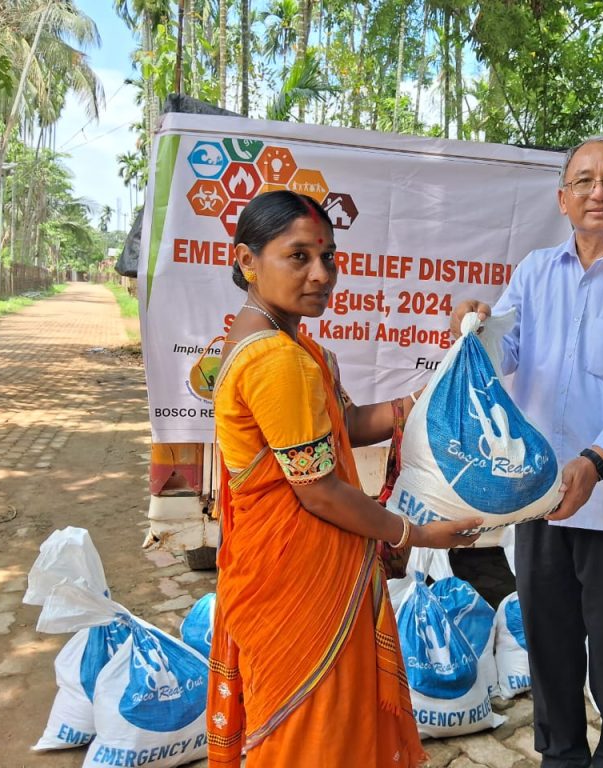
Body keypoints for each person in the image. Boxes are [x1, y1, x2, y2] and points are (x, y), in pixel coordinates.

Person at [206, 190, 482, 768]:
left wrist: (430, 393)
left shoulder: (286, 344)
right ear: (247, 261)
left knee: (317, 729)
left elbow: (346, 426)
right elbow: (319, 491)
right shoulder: (277, 360)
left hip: (294, 565)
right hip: (300, 577)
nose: (321, 274)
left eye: (328, 256)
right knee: (316, 735)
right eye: (298, 257)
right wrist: (416, 534)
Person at [451, 136, 603, 768]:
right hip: (541, 498)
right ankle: (560, 756)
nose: (598, 191)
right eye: (583, 180)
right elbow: (506, 350)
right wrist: (478, 325)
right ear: (563, 199)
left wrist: (595, 460)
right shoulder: (536, 271)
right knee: (550, 648)